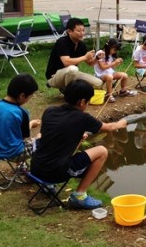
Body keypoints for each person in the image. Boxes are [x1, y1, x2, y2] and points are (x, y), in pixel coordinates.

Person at [30, 79, 128, 210]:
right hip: (55, 173)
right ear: (82, 102)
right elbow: (110, 127)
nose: (87, 105)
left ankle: (48, 186)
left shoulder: (50, 111)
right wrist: (121, 123)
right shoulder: (83, 118)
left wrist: (76, 136)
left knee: (40, 137)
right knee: (102, 151)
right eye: (88, 101)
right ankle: (79, 195)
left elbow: (53, 136)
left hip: (36, 168)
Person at [0, 73, 40, 161]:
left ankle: (22, 167)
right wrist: (31, 124)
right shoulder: (22, 113)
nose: (28, 100)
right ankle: (26, 168)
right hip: (14, 154)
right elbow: (22, 138)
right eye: (29, 97)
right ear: (22, 96)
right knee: (40, 139)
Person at [45, 17, 103, 91]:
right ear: (69, 31)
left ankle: (73, 90)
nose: (82, 33)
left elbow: (90, 63)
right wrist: (85, 57)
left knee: (98, 83)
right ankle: (70, 93)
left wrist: (97, 58)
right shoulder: (62, 42)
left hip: (72, 74)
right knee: (73, 69)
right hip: (54, 76)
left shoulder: (81, 44)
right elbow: (66, 62)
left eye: (83, 30)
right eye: (79, 31)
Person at [94, 38, 133, 103]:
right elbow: (103, 67)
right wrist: (114, 63)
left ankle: (123, 91)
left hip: (110, 73)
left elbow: (111, 67)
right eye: (114, 49)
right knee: (110, 77)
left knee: (124, 75)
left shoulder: (111, 54)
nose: (115, 51)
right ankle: (109, 95)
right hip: (100, 74)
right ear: (109, 47)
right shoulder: (100, 53)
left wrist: (117, 63)